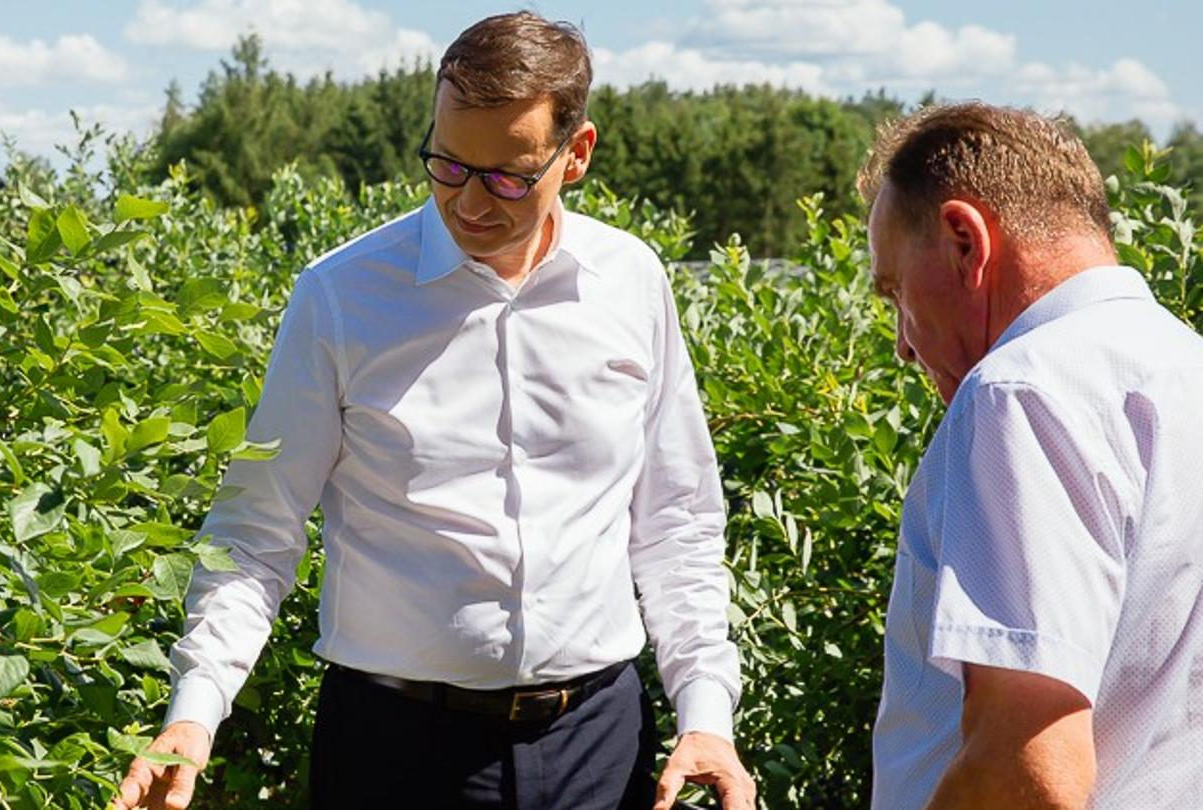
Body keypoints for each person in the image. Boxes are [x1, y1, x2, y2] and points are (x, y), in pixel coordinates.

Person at [113, 12, 753, 810]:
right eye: (448, 166)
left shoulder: (632, 282)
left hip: (598, 743)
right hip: (394, 751)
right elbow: (255, 534)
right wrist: (195, 711)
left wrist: (706, 714)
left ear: (577, 153)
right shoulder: (341, 296)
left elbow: (677, 524)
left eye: (508, 177)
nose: (470, 203)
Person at [863, 102, 1203, 808]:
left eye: (895, 290)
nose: (901, 342)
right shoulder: (1182, 365)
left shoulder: (1020, 390)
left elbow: (1029, 771)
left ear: (964, 241)